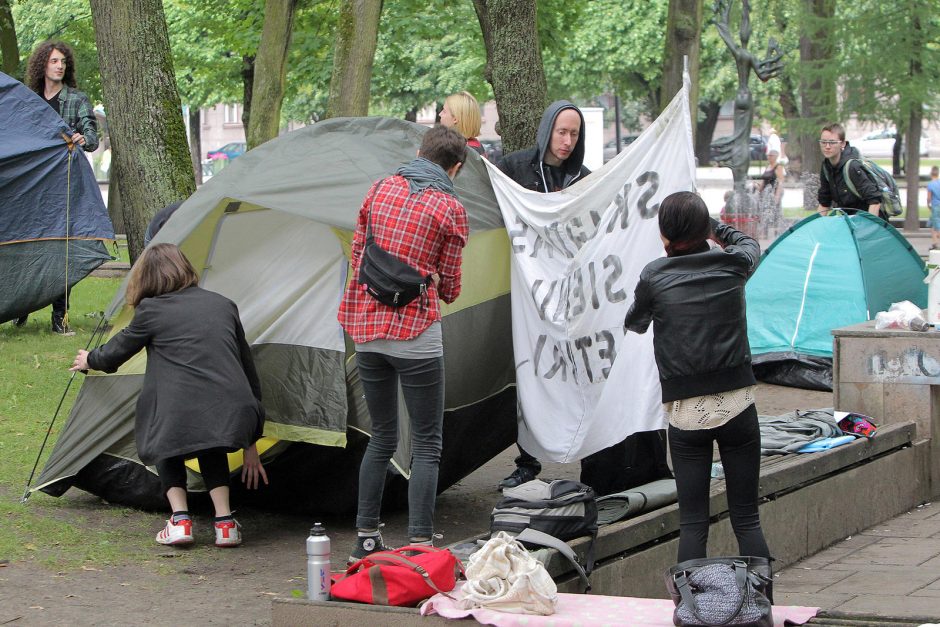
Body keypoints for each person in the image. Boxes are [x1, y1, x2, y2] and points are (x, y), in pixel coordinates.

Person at [496, 101, 670, 492]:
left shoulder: (586, 179)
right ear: (547, 131)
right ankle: (527, 459)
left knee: (565, 370)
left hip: (572, 295)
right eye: (561, 132)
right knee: (530, 369)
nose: (567, 141)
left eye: (574, 134)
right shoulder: (515, 168)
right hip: (529, 290)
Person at [69, 243, 267, 547]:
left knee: (165, 426)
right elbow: (247, 368)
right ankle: (225, 523)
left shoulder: (152, 310)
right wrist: (253, 434)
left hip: (179, 416)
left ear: (147, 277)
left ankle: (180, 520)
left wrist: (88, 360)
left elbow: (115, 352)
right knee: (207, 440)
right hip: (235, 409)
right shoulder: (223, 304)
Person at [624, 192, 772, 596]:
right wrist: (716, 227)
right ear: (705, 230)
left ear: (665, 234)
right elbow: (749, 243)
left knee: (693, 522)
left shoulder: (655, 275)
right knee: (747, 519)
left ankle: (692, 609)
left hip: (685, 411)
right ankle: (762, 609)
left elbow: (634, 323)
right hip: (738, 402)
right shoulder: (733, 264)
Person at [337, 126, 469, 562]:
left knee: (382, 437)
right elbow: (450, 289)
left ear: (418, 152)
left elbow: (358, 256)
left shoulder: (379, 189)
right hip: (415, 335)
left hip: (367, 329)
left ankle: (366, 539)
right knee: (428, 443)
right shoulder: (450, 208)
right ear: (456, 168)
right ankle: (419, 543)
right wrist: (425, 276)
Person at [21, 40, 100, 334]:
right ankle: (22, 307)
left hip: (64, 186)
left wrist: (82, 138)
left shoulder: (77, 100)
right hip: (32, 186)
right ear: (43, 64)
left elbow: (92, 137)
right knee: (29, 248)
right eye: (54, 61)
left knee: (61, 251)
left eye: (63, 62)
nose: (59, 66)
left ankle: (60, 317)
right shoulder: (28, 100)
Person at [817, 122, 885, 220]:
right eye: (823, 142)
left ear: (843, 143)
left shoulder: (852, 166)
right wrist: (815, 229)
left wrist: (869, 229)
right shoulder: (826, 167)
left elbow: (875, 201)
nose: (827, 146)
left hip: (870, 221)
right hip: (850, 221)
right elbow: (824, 203)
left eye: (832, 142)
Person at [439, 91, 484, 156]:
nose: (440, 114)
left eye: (444, 111)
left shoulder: (466, 150)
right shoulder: (470, 146)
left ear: (455, 119)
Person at [757, 149, 785, 236]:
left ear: (776, 156)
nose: (769, 157)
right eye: (768, 155)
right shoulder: (768, 166)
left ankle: (776, 232)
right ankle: (764, 232)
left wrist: (777, 195)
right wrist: (758, 189)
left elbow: (780, 182)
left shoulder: (778, 167)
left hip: (774, 192)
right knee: (764, 211)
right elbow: (763, 181)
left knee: (775, 211)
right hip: (765, 194)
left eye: (771, 155)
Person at [928, 166, 940, 251]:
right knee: (932, 224)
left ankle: (936, 243)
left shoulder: (930, 184)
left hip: (935, 206)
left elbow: (929, 197)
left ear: (931, 174)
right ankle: (934, 243)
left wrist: (928, 204)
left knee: (936, 225)